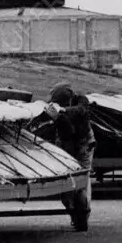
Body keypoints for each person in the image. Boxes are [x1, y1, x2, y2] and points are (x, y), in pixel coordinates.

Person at [44, 83, 96, 231]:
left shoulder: (82, 102)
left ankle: (83, 212)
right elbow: (65, 132)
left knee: (82, 181)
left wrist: (63, 111)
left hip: (84, 145)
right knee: (66, 183)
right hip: (66, 146)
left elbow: (81, 110)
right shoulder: (56, 112)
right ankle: (74, 211)